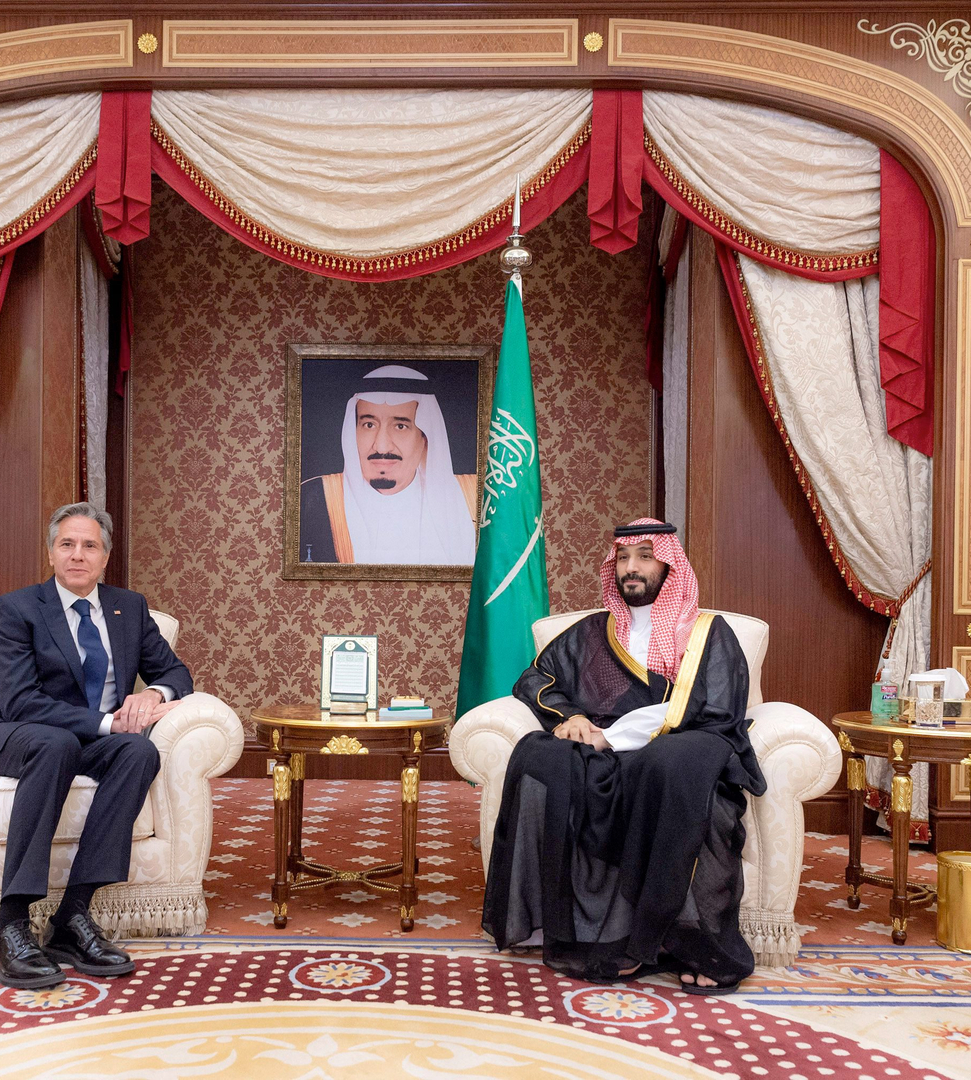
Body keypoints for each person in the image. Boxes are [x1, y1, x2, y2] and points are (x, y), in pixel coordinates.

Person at [481, 517, 766, 992]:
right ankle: (586, 934)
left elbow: (714, 708)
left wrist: (614, 737)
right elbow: (535, 679)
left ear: (669, 565)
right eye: (622, 558)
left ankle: (694, 943)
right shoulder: (593, 632)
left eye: (644, 557)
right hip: (606, 757)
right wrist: (571, 717)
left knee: (669, 763)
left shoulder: (708, 632)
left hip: (683, 748)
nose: (631, 567)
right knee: (539, 754)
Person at [0, 502, 193, 989]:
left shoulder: (128, 607)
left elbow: (176, 672)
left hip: (88, 740)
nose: (77, 554)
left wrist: (155, 694)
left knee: (139, 752)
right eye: (67, 544)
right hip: (19, 733)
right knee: (58, 745)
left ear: (105, 557)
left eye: (89, 545)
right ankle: (9, 924)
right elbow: (20, 699)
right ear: (51, 553)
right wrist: (108, 722)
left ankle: (72, 917)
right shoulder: (18, 608)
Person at [299, 364, 477, 564]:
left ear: (425, 437)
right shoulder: (312, 500)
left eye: (400, 426)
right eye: (369, 425)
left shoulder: (472, 500)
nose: (381, 445)